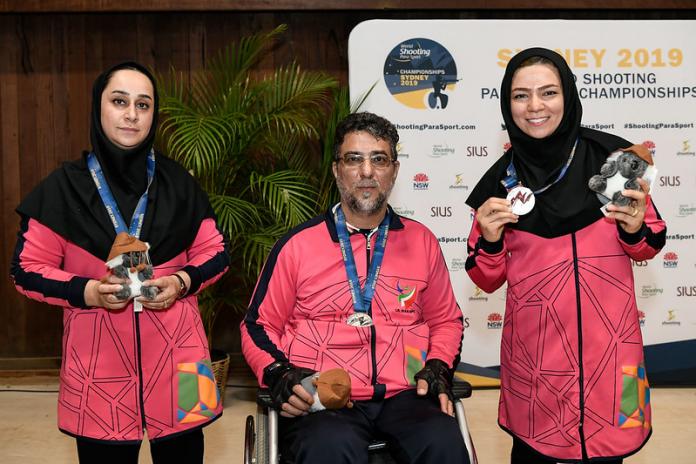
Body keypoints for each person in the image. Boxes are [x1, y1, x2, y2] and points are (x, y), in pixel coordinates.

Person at [10, 62, 230, 464]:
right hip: (98, 367)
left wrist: (182, 280)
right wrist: (87, 291)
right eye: (119, 101)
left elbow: (216, 253)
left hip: (183, 362)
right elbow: (25, 271)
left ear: (153, 114)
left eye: (143, 104)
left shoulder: (179, 182)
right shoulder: (63, 188)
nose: (132, 113)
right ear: (99, 108)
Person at [465, 48, 666, 464]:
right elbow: (486, 278)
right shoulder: (501, 181)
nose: (535, 106)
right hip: (537, 364)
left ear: (568, 95)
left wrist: (634, 230)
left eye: (548, 92)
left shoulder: (615, 160)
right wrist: (489, 238)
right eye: (521, 96)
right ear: (507, 104)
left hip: (611, 361)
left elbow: (649, 243)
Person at [241, 112, 469, 463]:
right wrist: (278, 373)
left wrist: (438, 365)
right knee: (328, 446)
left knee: (442, 440)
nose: (366, 172)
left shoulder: (421, 241)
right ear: (337, 170)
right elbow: (257, 325)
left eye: (379, 160)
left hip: (406, 394)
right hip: (326, 398)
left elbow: (446, 321)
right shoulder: (297, 246)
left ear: (393, 170)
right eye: (354, 159)